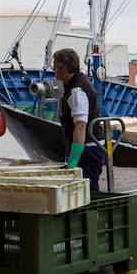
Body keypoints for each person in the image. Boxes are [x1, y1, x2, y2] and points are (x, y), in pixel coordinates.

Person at [53, 48, 106, 191]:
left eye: (55, 67)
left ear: (63, 69)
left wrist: (74, 159)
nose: (54, 70)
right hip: (90, 147)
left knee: (87, 191)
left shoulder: (77, 91)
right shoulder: (76, 82)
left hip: (88, 150)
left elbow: (81, 125)